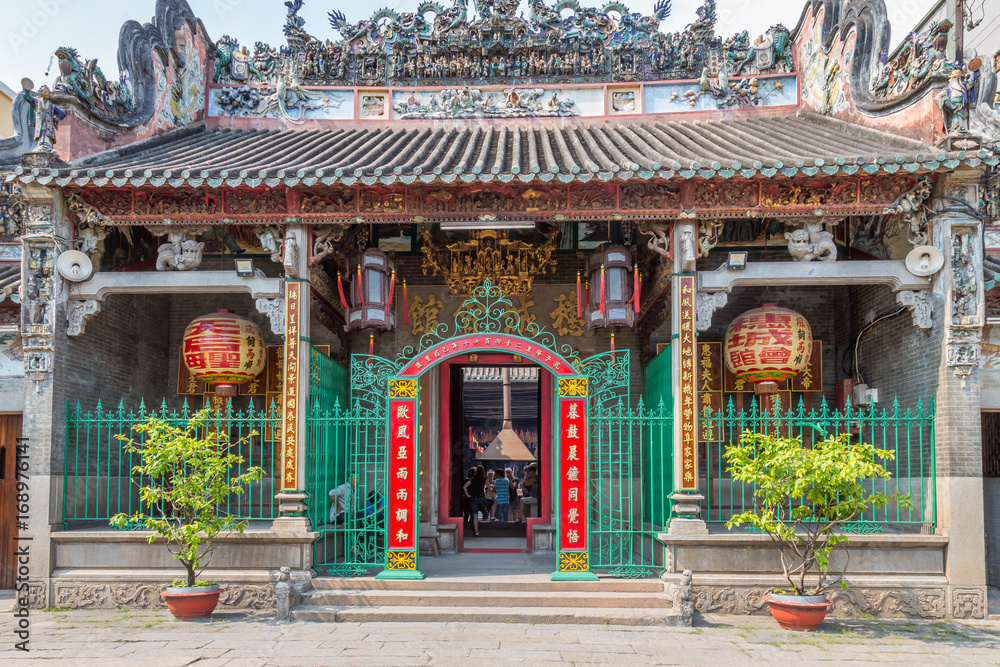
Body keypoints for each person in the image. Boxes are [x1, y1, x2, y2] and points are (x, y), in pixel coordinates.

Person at [463, 465, 487, 536]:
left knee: (467, 514)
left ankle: (466, 528)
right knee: (474, 514)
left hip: (467, 499)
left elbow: (464, 487)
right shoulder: (477, 480)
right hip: (474, 498)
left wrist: (467, 495)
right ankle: (473, 529)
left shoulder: (467, 480)